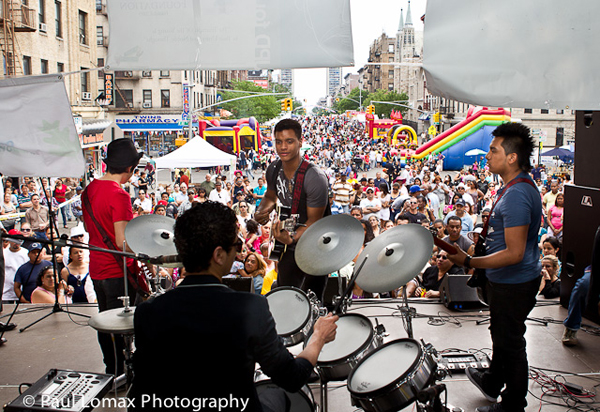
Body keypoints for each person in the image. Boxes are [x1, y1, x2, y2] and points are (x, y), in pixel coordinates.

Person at [130, 201, 338, 411]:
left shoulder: (147, 312)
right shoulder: (249, 309)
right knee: (278, 394)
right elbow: (291, 378)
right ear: (219, 255)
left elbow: (140, 391)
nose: (239, 251)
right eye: (236, 246)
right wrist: (318, 337)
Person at [447, 122, 542, 412]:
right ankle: (492, 380)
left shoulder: (516, 195)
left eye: (493, 150)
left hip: (514, 282)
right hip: (506, 280)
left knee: (510, 342)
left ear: (512, 157)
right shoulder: (512, 187)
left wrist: (469, 261)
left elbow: (514, 253)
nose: (487, 155)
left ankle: (513, 404)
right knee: (501, 333)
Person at [82, 138, 142, 376]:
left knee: (105, 322)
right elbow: (122, 242)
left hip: (96, 268)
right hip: (118, 271)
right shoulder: (119, 195)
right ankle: (123, 372)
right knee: (121, 325)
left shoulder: (90, 190)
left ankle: (111, 369)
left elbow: (90, 229)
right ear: (129, 168)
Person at [254, 119, 330, 300]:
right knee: (285, 293)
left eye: (289, 141)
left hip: (315, 245)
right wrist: (260, 212)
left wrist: (292, 238)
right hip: (288, 243)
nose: (283, 147)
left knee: (310, 298)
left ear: (300, 142)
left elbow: (314, 221)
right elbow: (271, 196)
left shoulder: (315, 177)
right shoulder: (273, 169)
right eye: (278, 141)